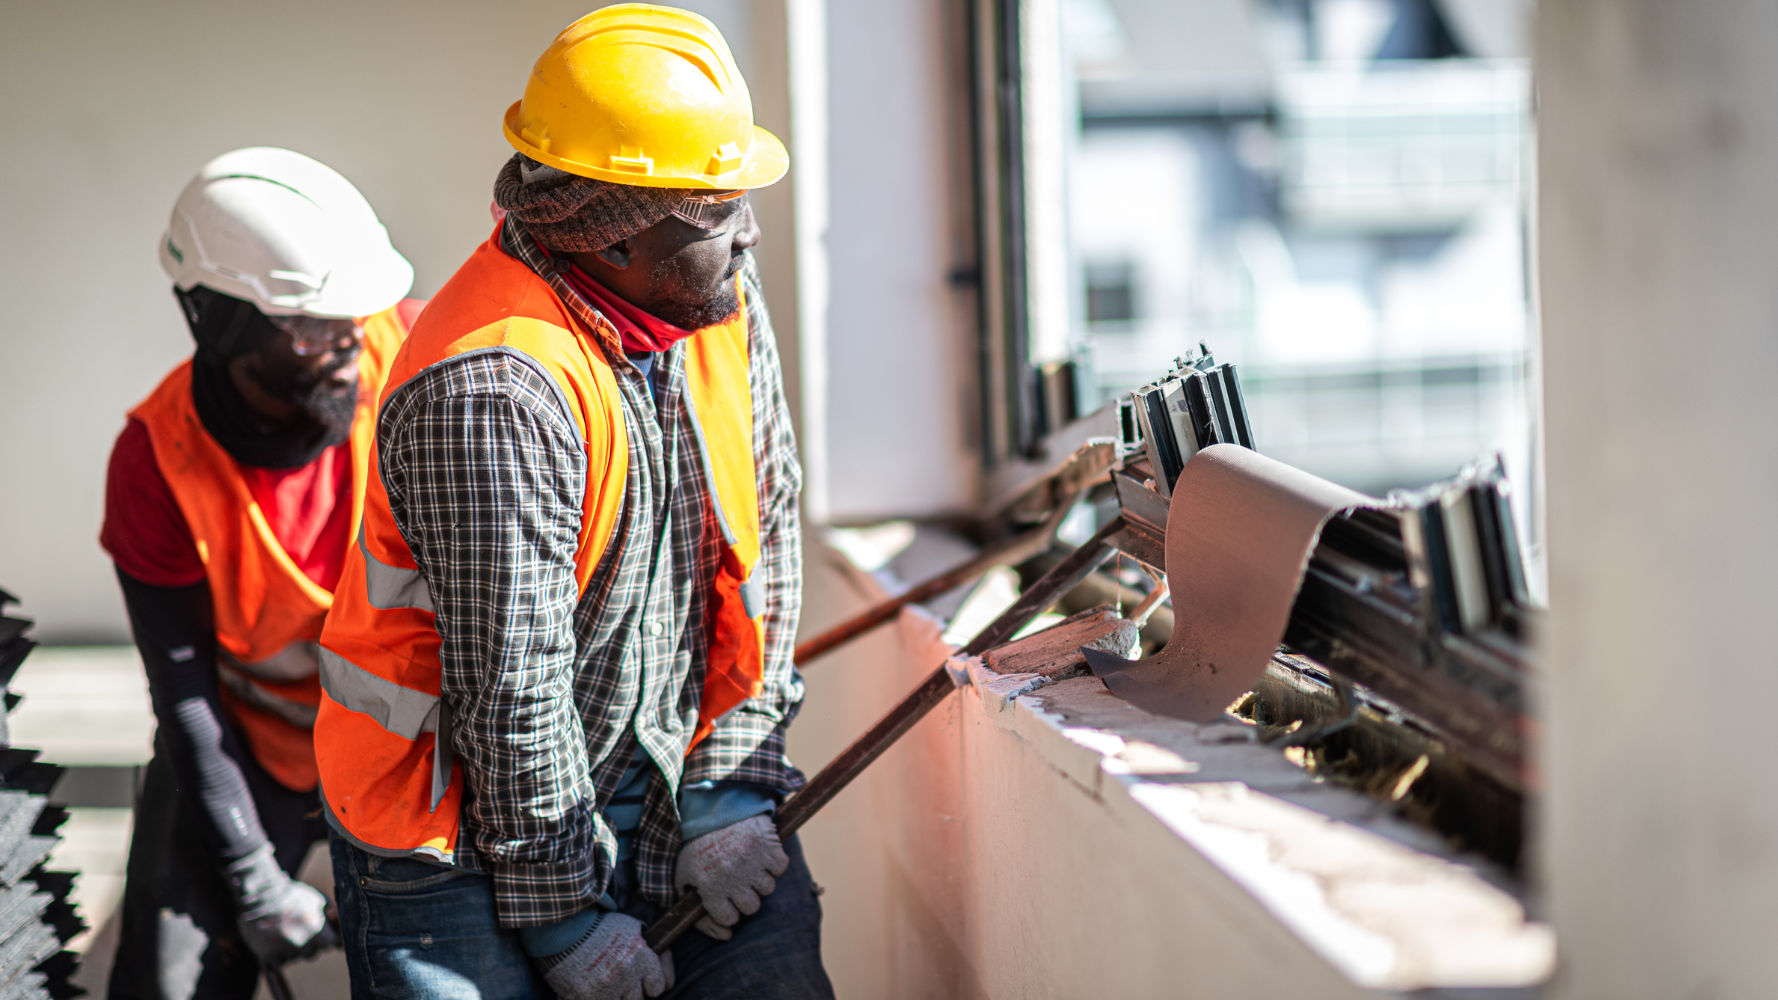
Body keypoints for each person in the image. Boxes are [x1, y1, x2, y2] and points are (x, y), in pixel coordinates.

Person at [314, 6, 832, 999]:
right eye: (716, 210)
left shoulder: (711, 290)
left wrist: (727, 776)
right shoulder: (496, 384)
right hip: (454, 826)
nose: (747, 228)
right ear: (619, 238)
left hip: (661, 764)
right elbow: (513, 681)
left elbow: (762, 536)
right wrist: (563, 917)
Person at [100, 147, 420, 1000]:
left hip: (419, 750)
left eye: (352, 311)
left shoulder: (422, 367)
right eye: (312, 324)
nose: (350, 338)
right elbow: (185, 692)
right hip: (249, 746)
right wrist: (248, 873)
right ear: (222, 323)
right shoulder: (155, 461)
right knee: (166, 984)